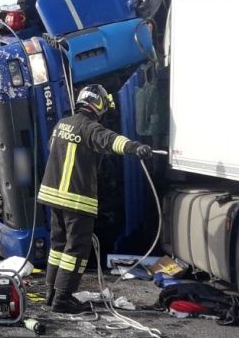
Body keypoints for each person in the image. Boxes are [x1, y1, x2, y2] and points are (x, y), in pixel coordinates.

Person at [37, 84, 154, 314]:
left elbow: (53, 148)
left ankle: (50, 294)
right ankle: (63, 299)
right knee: (76, 251)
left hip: (53, 197)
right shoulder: (90, 128)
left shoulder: (62, 124)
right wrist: (136, 147)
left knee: (58, 246)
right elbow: (112, 141)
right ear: (98, 104)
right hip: (76, 200)